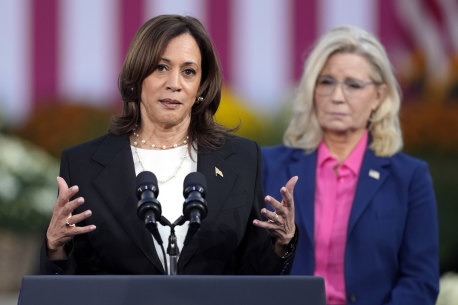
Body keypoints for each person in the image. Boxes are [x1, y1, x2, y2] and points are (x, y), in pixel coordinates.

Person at [41, 14, 297, 275]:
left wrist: (282, 243)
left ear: (201, 87)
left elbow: (255, 274)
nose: (174, 84)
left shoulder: (241, 158)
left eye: (188, 72)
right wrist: (55, 246)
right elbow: (69, 279)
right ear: (136, 76)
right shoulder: (83, 164)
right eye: (161, 68)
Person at [262, 25, 439, 304]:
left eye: (353, 85)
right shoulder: (268, 165)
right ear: (312, 90)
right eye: (326, 82)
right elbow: (243, 265)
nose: (337, 96)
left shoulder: (410, 178)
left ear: (379, 97)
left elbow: (420, 281)